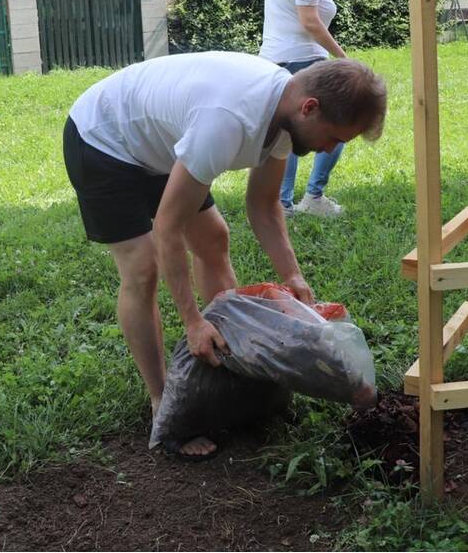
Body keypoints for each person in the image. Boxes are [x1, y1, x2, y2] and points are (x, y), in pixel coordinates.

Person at [62, 51, 386, 459]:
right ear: (310, 108)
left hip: (156, 142)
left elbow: (264, 206)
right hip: (103, 139)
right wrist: (192, 321)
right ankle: (163, 400)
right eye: (335, 138)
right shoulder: (227, 121)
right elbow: (168, 228)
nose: (328, 150)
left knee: (213, 238)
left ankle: (232, 371)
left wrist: (293, 275)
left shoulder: (286, 113)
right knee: (143, 267)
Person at [259, 0, 348, 218]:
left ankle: (282, 204)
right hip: (304, 58)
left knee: (286, 134)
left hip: (273, 61)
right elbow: (309, 21)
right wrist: (342, 57)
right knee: (340, 124)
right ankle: (314, 196)